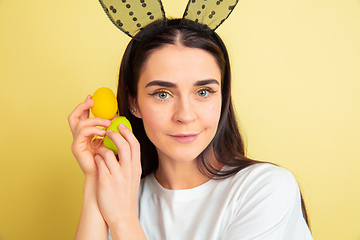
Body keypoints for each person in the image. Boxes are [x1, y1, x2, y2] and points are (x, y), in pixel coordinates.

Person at [68, 18, 313, 240]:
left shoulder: (265, 189)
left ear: (222, 97)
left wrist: (123, 220)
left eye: (203, 92)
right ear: (134, 103)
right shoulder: (122, 192)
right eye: (162, 94)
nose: (185, 115)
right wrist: (95, 178)